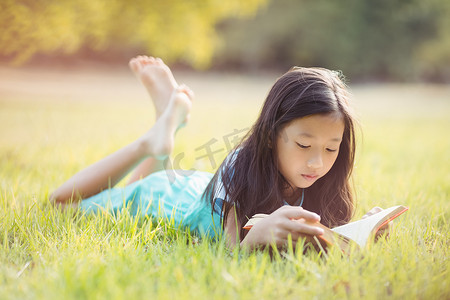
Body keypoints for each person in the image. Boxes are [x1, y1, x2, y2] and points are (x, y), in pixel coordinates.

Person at [50, 55, 388, 250]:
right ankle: (151, 140)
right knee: (63, 203)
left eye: (331, 148)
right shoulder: (241, 165)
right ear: (271, 135)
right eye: (303, 145)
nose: (317, 161)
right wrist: (258, 237)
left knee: (155, 173)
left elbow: (323, 237)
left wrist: (359, 232)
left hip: (196, 188)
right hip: (165, 201)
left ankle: (166, 118)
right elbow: (231, 253)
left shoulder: (320, 182)